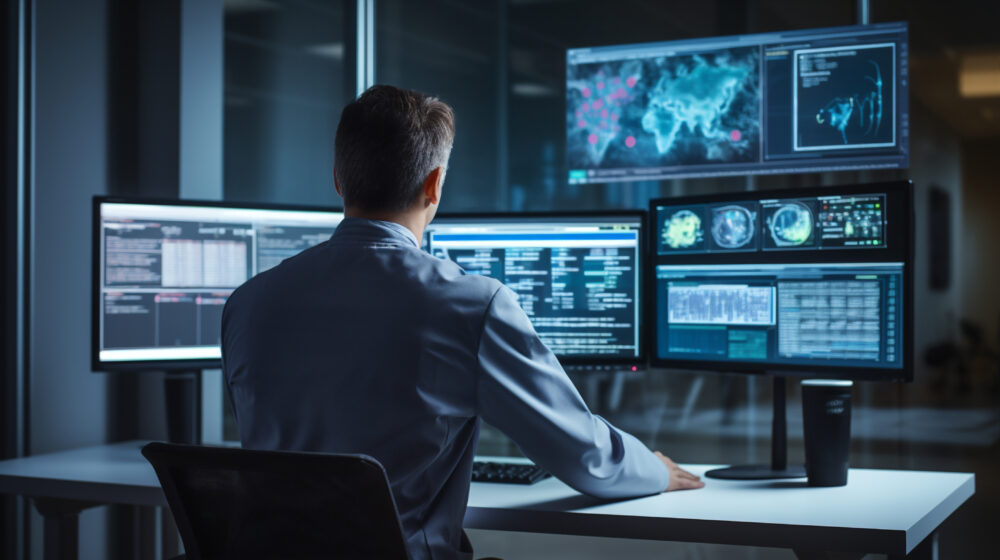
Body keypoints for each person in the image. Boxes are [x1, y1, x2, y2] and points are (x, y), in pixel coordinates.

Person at [221, 85, 703, 560]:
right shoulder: (470, 304)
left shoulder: (247, 304)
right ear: (434, 184)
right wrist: (655, 470)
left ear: (337, 179)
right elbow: (584, 455)